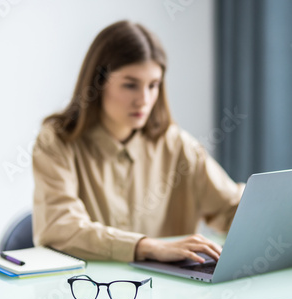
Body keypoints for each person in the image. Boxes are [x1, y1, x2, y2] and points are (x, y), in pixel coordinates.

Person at [32, 20, 244, 264]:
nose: (143, 100)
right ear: (98, 83)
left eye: (153, 85)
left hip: (170, 294)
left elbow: (231, 209)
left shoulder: (176, 144)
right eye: (130, 85)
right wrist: (146, 247)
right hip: (85, 292)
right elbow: (60, 227)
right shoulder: (57, 141)